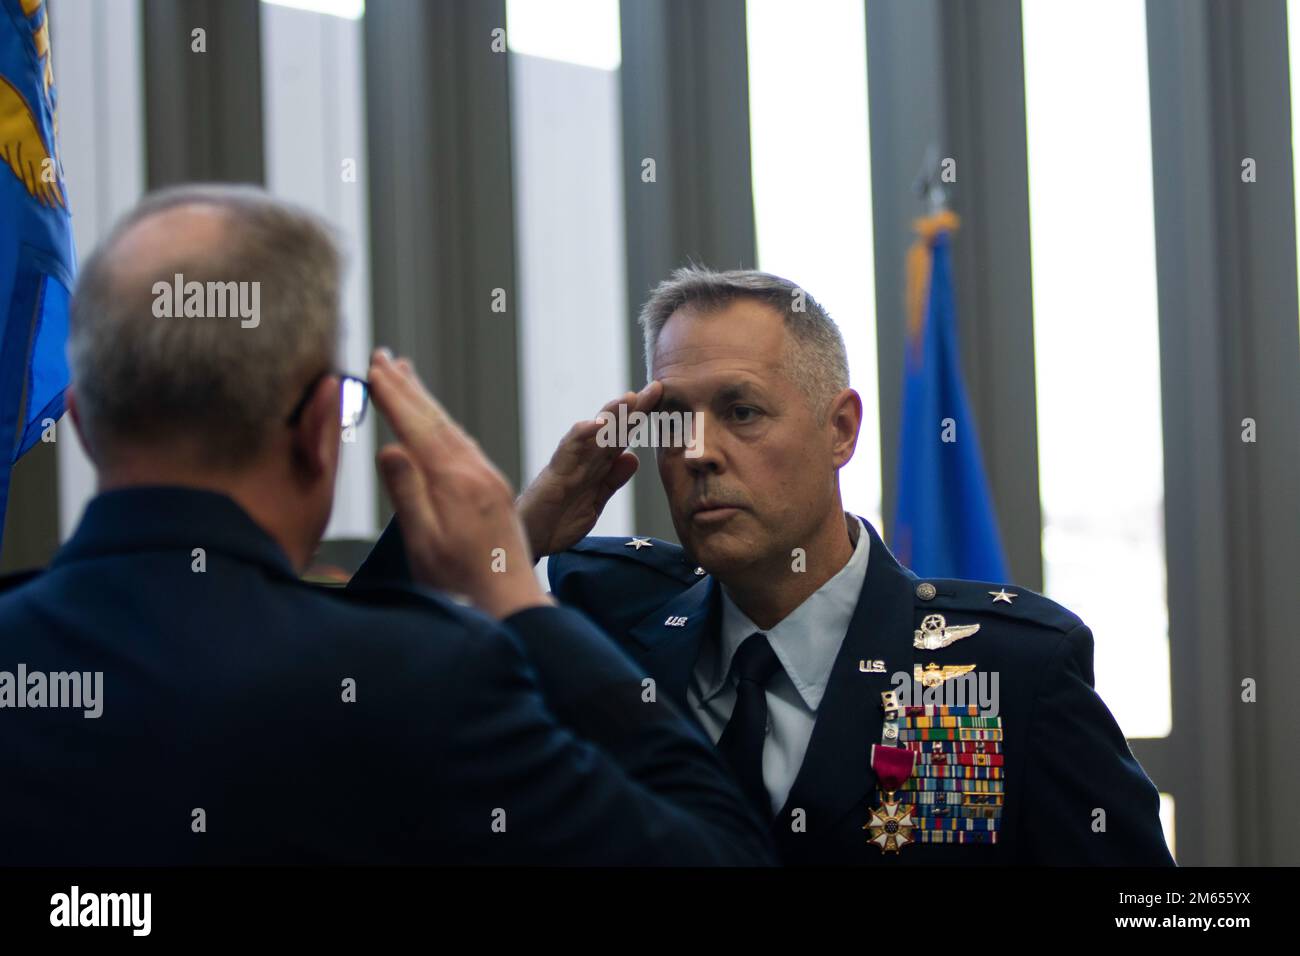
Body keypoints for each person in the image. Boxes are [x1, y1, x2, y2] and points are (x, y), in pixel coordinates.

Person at [0, 188, 773, 866]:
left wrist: (520, 537)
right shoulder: (429, 684)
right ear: (313, 433)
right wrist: (515, 597)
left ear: (83, 426)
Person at [359, 266, 1175, 866]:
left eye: (742, 412)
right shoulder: (604, 628)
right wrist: (529, 523)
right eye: (673, 421)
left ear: (840, 431)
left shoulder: (988, 665)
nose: (701, 453)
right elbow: (344, 709)